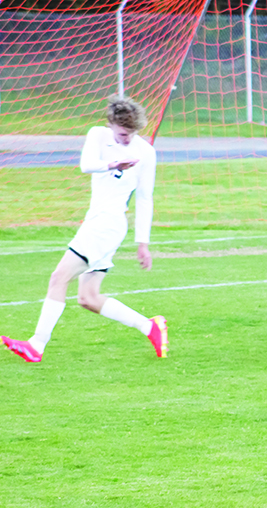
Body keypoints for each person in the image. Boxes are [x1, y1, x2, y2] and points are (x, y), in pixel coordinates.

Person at [2, 95, 167, 362]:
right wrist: (114, 164)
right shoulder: (98, 136)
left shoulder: (146, 152)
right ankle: (150, 327)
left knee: (58, 277)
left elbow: (145, 198)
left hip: (108, 225)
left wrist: (143, 243)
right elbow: (85, 165)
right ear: (111, 124)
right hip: (96, 220)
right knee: (88, 298)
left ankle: (36, 345)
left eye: (132, 134)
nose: (127, 139)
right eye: (123, 134)